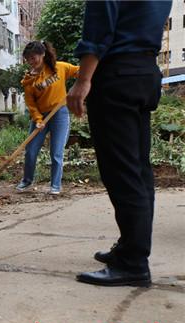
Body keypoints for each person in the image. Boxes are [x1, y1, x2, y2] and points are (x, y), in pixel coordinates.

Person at [68, 1, 171, 287]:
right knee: (138, 170)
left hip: (116, 76)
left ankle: (133, 264)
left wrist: (83, 80)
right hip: (144, 73)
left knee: (123, 173)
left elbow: (99, 29)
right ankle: (130, 248)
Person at [17, 41, 79, 195]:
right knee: (31, 150)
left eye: (34, 57)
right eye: (28, 59)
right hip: (41, 117)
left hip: (59, 114)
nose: (31, 61)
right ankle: (27, 180)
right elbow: (31, 104)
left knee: (56, 152)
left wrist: (82, 81)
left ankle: (55, 185)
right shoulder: (29, 81)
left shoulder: (59, 67)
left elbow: (79, 71)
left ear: (43, 54)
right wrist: (38, 119)